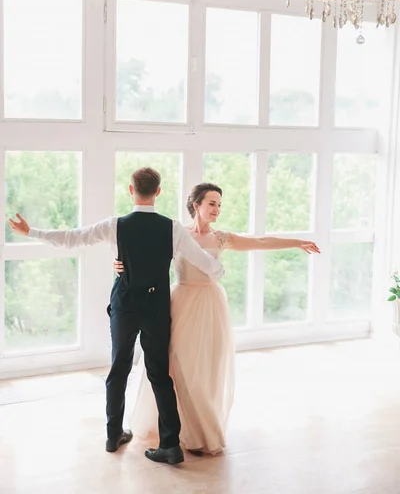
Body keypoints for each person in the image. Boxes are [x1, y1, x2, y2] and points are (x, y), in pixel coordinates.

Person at [8, 168, 225, 464]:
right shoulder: (172, 228)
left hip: (125, 304)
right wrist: (218, 271)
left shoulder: (115, 225)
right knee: (160, 374)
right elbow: (205, 262)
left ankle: (113, 435)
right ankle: (171, 445)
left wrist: (30, 232)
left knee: (118, 369)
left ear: (130, 190)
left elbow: (73, 238)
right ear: (158, 192)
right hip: (157, 308)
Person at [114, 182, 320, 455]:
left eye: (219, 204)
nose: (217, 209)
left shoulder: (221, 238)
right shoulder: (175, 233)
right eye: (212, 203)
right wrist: (118, 263)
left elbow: (259, 242)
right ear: (196, 205)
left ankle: (202, 432)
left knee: (206, 368)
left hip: (211, 305)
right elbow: (141, 251)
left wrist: (296, 242)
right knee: (174, 364)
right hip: (181, 303)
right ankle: (171, 429)